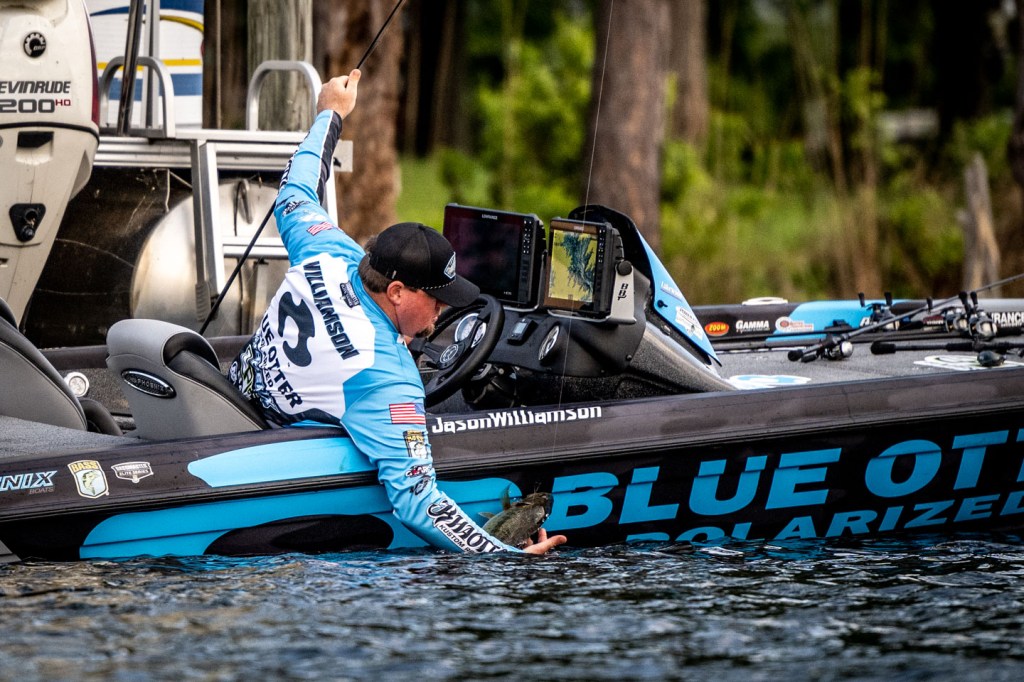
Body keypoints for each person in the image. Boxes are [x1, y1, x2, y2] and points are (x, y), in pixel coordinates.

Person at [229, 69, 566, 555]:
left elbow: (296, 191)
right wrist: (508, 559)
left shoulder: (329, 251)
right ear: (397, 292)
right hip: (271, 456)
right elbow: (418, 502)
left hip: (242, 403)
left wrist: (330, 113)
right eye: (437, 297)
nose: (443, 310)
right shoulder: (387, 378)